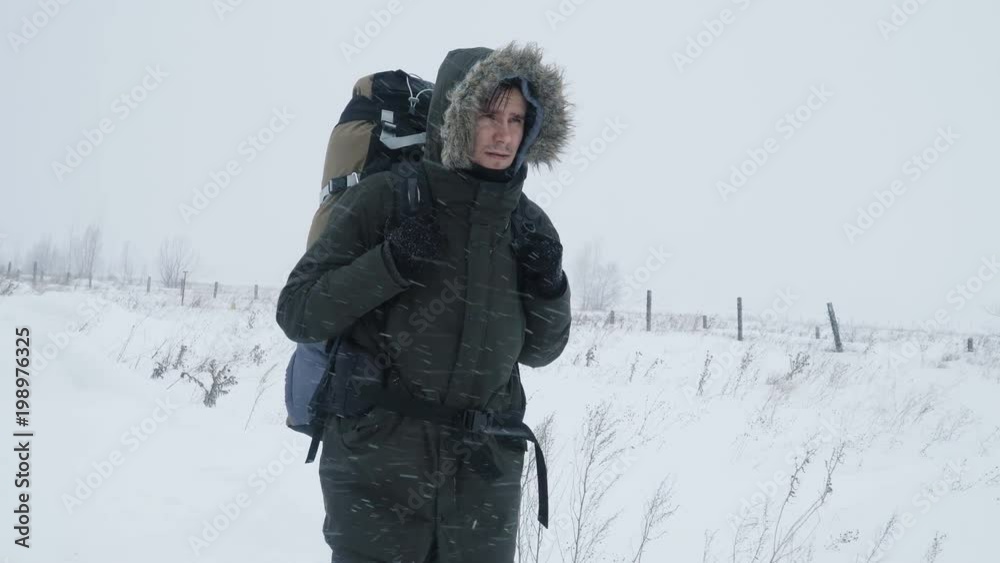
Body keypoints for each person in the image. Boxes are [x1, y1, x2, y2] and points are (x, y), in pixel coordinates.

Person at [275, 41, 573, 563]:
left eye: (516, 119)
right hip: (377, 480)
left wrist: (550, 285)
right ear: (455, 117)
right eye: (488, 115)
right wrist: (389, 264)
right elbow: (299, 311)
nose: (503, 134)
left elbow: (542, 350)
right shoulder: (388, 199)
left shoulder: (527, 224)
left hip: (483, 490)